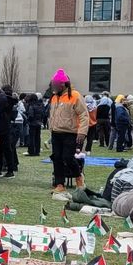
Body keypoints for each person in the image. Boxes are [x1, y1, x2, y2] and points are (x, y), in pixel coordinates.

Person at [48, 69, 90, 198]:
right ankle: (60, 184)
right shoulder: (55, 97)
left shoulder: (75, 96)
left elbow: (84, 115)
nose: (53, 87)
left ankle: (78, 176)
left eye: (55, 84)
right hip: (56, 132)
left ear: (62, 84)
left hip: (71, 133)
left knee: (67, 157)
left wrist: (82, 133)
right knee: (57, 158)